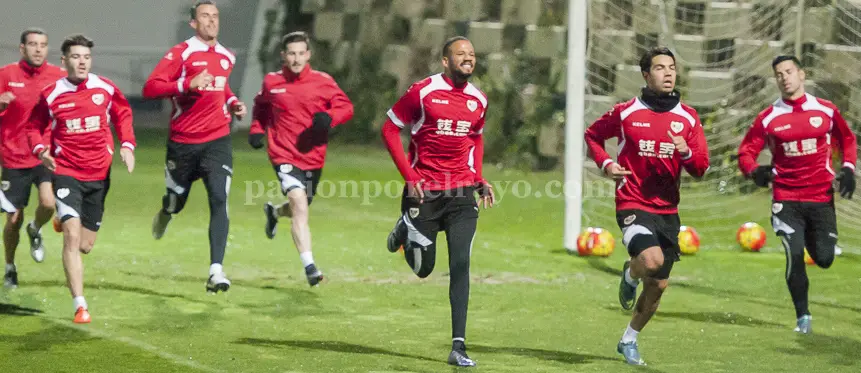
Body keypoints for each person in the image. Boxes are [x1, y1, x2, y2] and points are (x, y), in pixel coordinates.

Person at [584, 47, 709, 366]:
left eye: (672, 68)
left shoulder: (688, 118)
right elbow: (593, 136)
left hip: (667, 211)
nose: (668, 73)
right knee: (650, 261)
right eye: (659, 68)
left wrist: (684, 152)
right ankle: (630, 272)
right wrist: (607, 164)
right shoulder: (626, 112)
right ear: (645, 75)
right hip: (633, 202)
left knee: (658, 286)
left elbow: (700, 168)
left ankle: (628, 340)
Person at [381, 36, 494, 367]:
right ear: (446, 61)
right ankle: (406, 227)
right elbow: (390, 129)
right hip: (424, 191)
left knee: (461, 265)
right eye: (461, 54)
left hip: (461, 194)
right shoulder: (423, 91)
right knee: (423, 269)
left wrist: (479, 179)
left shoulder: (478, 100)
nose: (468, 58)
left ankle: (458, 346)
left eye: (472, 54)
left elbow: (475, 138)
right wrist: (409, 177)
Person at [737, 55, 856, 334]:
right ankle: (803, 317)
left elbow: (847, 139)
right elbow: (746, 151)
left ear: (801, 74)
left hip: (821, 197)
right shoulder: (768, 118)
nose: (784, 77)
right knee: (794, 253)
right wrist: (754, 171)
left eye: (789, 71)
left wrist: (848, 168)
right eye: (779, 74)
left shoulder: (825, 110)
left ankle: (820, 247)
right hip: (786, 198)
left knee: (824, 258)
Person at [27, 34, 136, 323]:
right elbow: (34, 127)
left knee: (85, 244)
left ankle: (61, 219)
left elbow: (124, 115)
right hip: (66, 172)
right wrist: (41, 151)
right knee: (72, 238)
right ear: (64, 61)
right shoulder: (52, 94)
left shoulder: (105, 89)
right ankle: (80, 305)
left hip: (99, 175)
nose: (82, 62)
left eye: (86, 57)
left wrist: (127, 145)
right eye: (76, 57)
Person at [142, 0, 247, 293]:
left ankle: (216, 271)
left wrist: (232, 102)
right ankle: (166, 211)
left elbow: (222, 86)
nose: (212, 21)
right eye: (205, 16)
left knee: (218, 199)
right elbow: (150, 88)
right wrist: (185, 84)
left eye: (215, 16)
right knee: (177, 201)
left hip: (217, 140)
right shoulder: (181, 53)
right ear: (193, 23)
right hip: (183, 144)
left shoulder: (227, 55)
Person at [249, 31, 353, 286]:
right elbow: (261, 108)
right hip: (282, 153)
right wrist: (256, 130)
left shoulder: (323, 82)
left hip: (312, 156)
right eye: (291, 54)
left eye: (300, 54)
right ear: (283, 56)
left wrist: (330, 118)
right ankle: (310, 266)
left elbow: (346, 107)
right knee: (299, 203)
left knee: (299, 206)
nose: (296, 59)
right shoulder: (272, 82)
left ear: (308, 55)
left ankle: (274, 212)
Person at [0, 28, 66, 288]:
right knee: (12, 219)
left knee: (49, 204)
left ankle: (35, 228)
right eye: (33, 44)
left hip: (44, 153)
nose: (38, 49)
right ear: (22, 49)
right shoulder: (6, 75)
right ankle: (10, 267)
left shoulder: (57, 76)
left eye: (43, 45)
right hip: (13, 157)